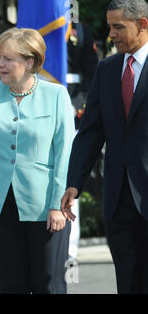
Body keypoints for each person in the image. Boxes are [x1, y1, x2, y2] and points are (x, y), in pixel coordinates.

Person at [61, 0, 148, 294]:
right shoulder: (107, 69)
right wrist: (74, 182)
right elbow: (91, 132)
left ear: (143, 25)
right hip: (118, 198)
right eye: (110, 27)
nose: (110, 34)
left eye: (118, 27)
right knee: (127, 281)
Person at [0, 27, 75, 294]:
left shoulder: (56, 95)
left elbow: (64, 153)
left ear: (30, 61)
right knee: (9, 283)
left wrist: (58, 204)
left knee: (49, 283)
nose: (0, 64)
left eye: (8, 59)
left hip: (44, 206)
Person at [66, 20, 99, 261]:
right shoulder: (38, 20)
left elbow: (91, 70)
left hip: (74, 106)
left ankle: (70, 247)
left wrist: (82, 103)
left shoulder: (81, 30)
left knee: (70, 174)